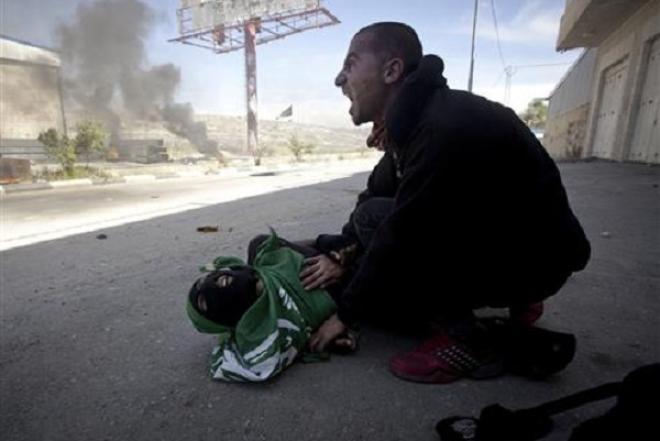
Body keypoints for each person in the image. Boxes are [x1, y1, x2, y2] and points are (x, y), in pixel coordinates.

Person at [307, 22, 591, 383]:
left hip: (537, 262)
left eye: (350, 64)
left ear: (391, 71)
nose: (339, 79)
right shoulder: (415, 122)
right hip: (522, 248)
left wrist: (345, 315)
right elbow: (375, 191)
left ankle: (467, 340)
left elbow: (399, 231)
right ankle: (515, 300)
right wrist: (337, 252)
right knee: (373, 217)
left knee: (381, 232)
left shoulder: (442, 126)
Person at [186, 232, 357, 382]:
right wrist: (338, 323)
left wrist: (325, 243)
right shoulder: (266, 333)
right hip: (351, 287)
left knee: (258, 243)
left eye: (205, 278)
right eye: (203, 302)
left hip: (348, 253)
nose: (210, 283)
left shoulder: (263, 255)